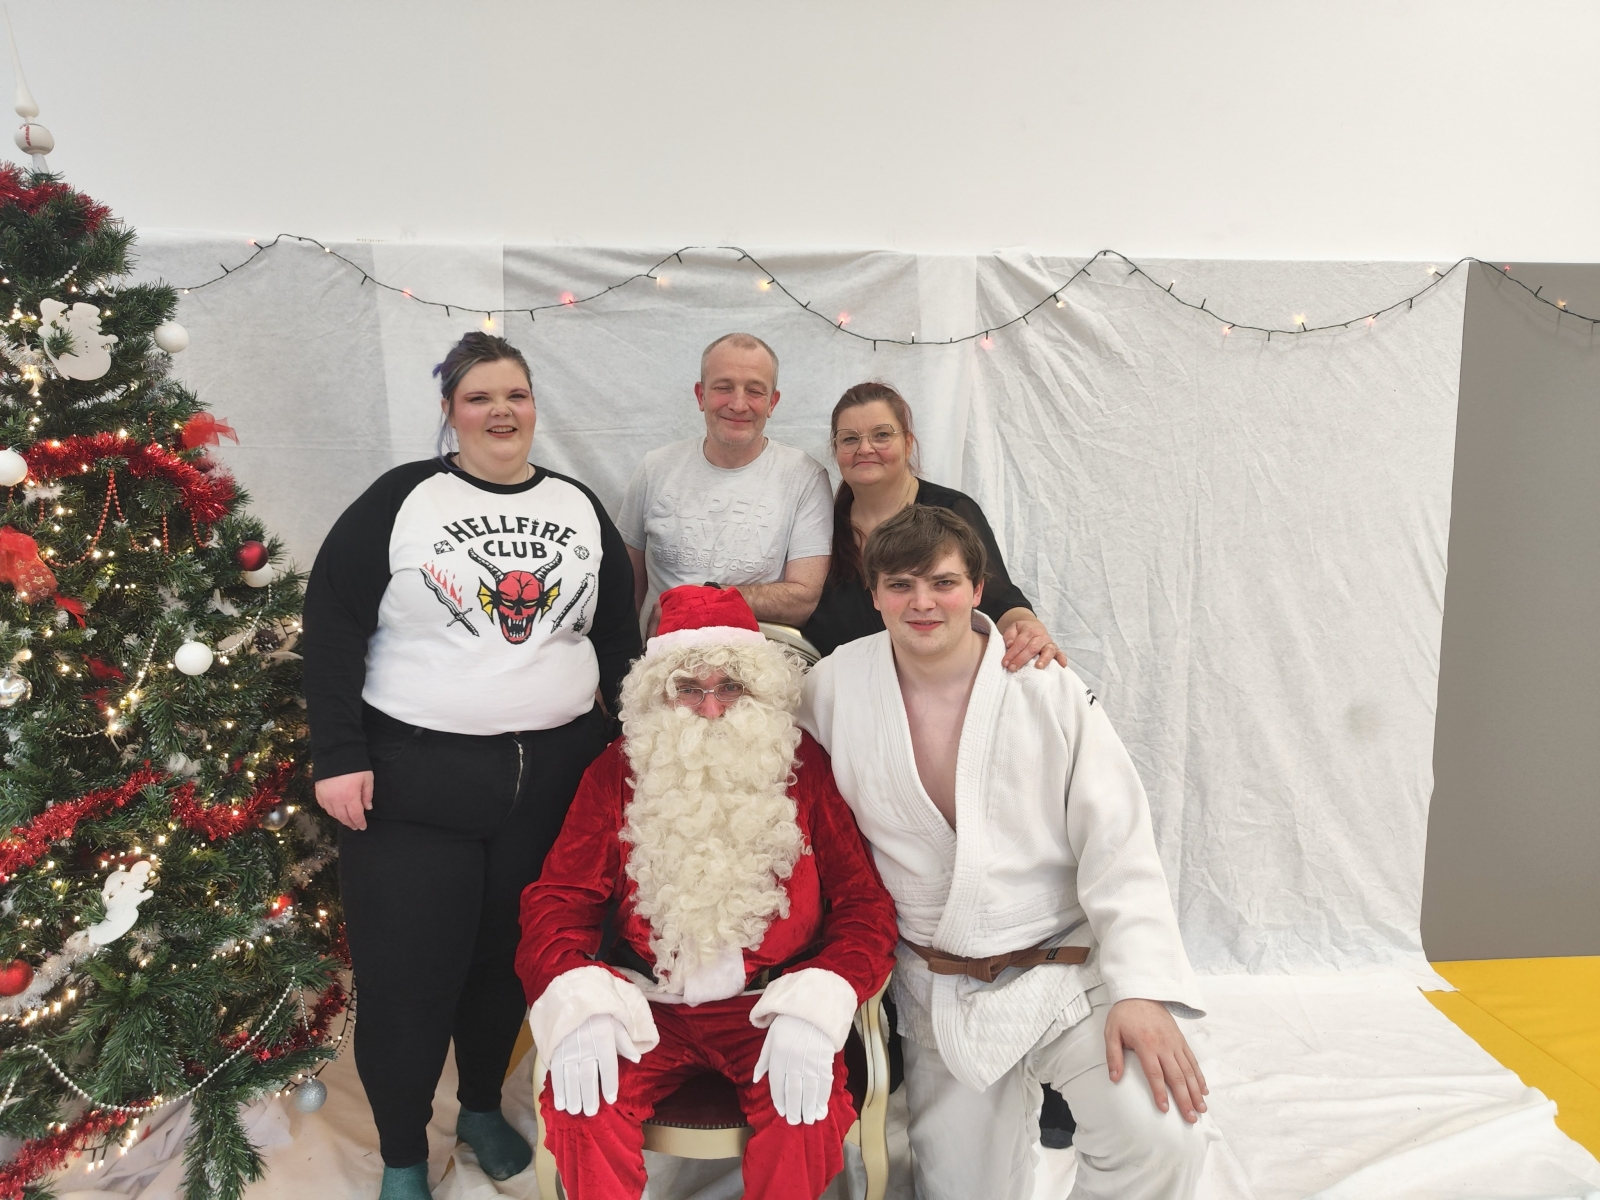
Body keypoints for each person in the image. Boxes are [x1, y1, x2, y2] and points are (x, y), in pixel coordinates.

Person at [303, 332, 642, 1200]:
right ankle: (403, 1155)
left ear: (534, 406)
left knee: (509, 962)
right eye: (480, 397)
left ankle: (483, 1107)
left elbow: (614, 633)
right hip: (415, 782)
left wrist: (634, 738)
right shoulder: (402, 498)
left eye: (515, 395)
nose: (501, 411)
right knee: (409, 980)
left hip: (554, 782)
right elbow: (333, 625)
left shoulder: (576, 504)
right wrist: (338, 755)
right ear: (451, 411)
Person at [800, 505, 1215, 1200]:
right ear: (874, 595)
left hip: (1067, 968)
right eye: (900, 585)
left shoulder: (1043, 684)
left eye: (943, 582)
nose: (923, 602)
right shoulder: (836, 685)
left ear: (977, 588)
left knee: (1162, 1137)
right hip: (938, 986)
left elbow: (1118, 838)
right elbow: (773, 770)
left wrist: (1140, 989)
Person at [516, 584, 898, 1200]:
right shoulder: (618, 770)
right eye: (690, 689)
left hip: (770, 1005)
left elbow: (865, 906)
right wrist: (575, 992)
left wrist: (825, 992)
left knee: (806, 1119)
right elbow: (558, 901)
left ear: (760, 689)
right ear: (659, 693)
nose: (712, 708)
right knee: (580, 1108)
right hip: (650, 1006)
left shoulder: (805, 766)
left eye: (731, 687)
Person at [802, 380, 1068, 672]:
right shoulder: (817, 521)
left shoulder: (951, 511)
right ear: (836, 449)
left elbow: (1000, 600)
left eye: (881, 435)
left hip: (934, 685)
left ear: (907, 444)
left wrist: (1027, 627)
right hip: (836, 689)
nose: (865, 448)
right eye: (850, 439)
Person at [619, 332, 832, 635]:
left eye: (754, 391)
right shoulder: (654, 468)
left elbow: (803, 601)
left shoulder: (804, 476)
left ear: (772, 402)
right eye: (723, 388)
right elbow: (626, 590)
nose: (739, 404)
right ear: (701, 396)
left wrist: (703, 599)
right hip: (663, 655)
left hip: (759, 659)